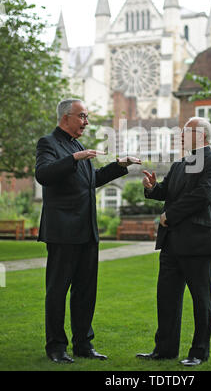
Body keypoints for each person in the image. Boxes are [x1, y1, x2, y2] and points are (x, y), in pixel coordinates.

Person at [35, 98, 141, 363]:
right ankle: (56, 347)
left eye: (87, 117)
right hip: (63, 232)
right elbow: (43, 175)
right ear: (66, 117)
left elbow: (90, 181)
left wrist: (120, 166)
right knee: (58, 291)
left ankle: (83, 344)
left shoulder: (78, 145)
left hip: (87, 232)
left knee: (85, 291)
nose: (86, 122)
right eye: (82, 116)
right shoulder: (49, 143)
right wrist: (73, 158)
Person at [136, 117, 211, 366]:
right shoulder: (178, 165)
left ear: (203, 136)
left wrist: (169, 214)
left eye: (187, 132)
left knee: (201, 300)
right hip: (171, 243)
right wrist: (153, 188)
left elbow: (202, 195)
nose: (182, 135)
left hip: (198, 243)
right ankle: (164, 350)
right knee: (166, 299)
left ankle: (198, 353)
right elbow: (167, 192)